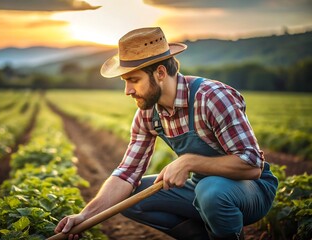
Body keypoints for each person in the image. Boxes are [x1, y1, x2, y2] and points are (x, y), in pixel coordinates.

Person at [55, 27, 278, 240]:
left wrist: (190, 162)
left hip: (250, 190)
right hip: (201, 189)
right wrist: (85, 215)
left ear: (160, 72)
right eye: (125, 82)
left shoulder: (211, 98)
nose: (127, 91)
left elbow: (252, 165)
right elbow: (127, 173)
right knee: (130, 196)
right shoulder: (148, 113)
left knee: (212, 191)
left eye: (134, 80)